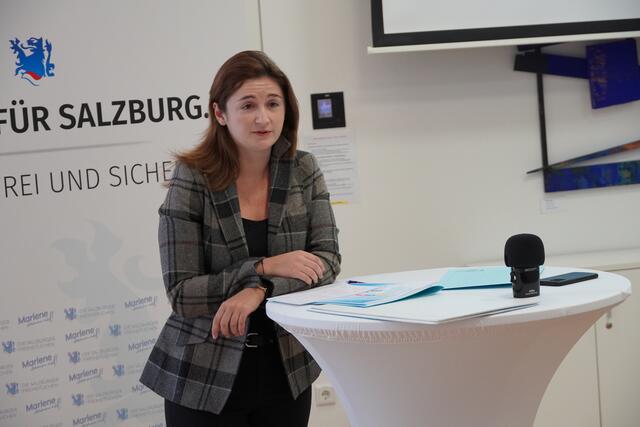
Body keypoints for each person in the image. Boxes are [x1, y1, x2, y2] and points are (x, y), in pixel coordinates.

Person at [139, 50, 341, 427]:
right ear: (220, 113)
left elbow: (326, 262)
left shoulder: (304, 169)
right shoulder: (192, 178)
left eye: (273, 103)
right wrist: (263, 266)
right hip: (204, 373)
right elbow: (182, 293)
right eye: (248, 105)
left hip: (287, 368)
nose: (263, 118)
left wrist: (260, 288)